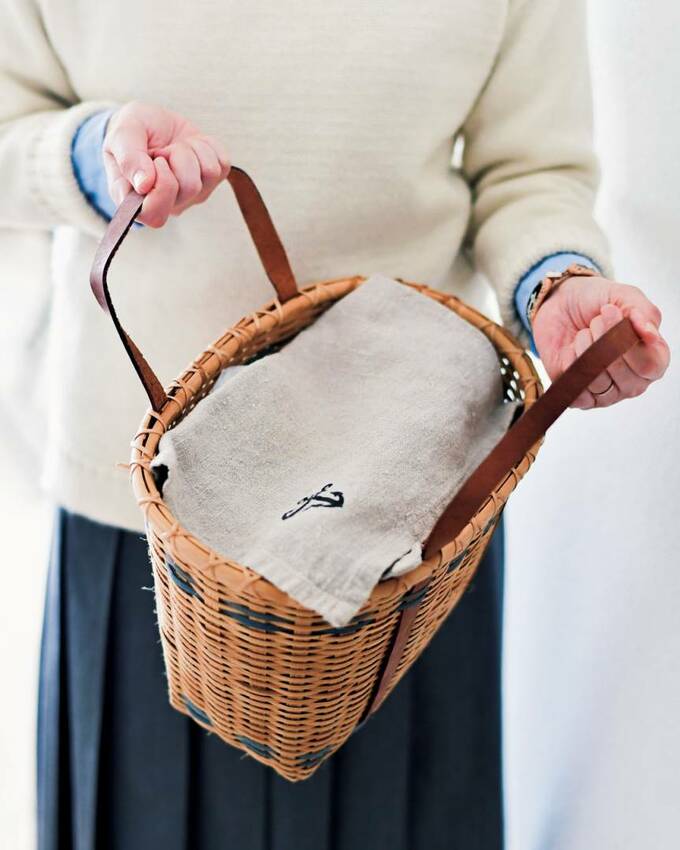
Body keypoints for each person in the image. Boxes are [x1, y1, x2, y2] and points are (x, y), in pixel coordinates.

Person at [0, 1, 669, 848]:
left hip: (407, 531)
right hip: (151, 530)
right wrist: (93, 156)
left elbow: (529, 167)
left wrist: (556, 283)